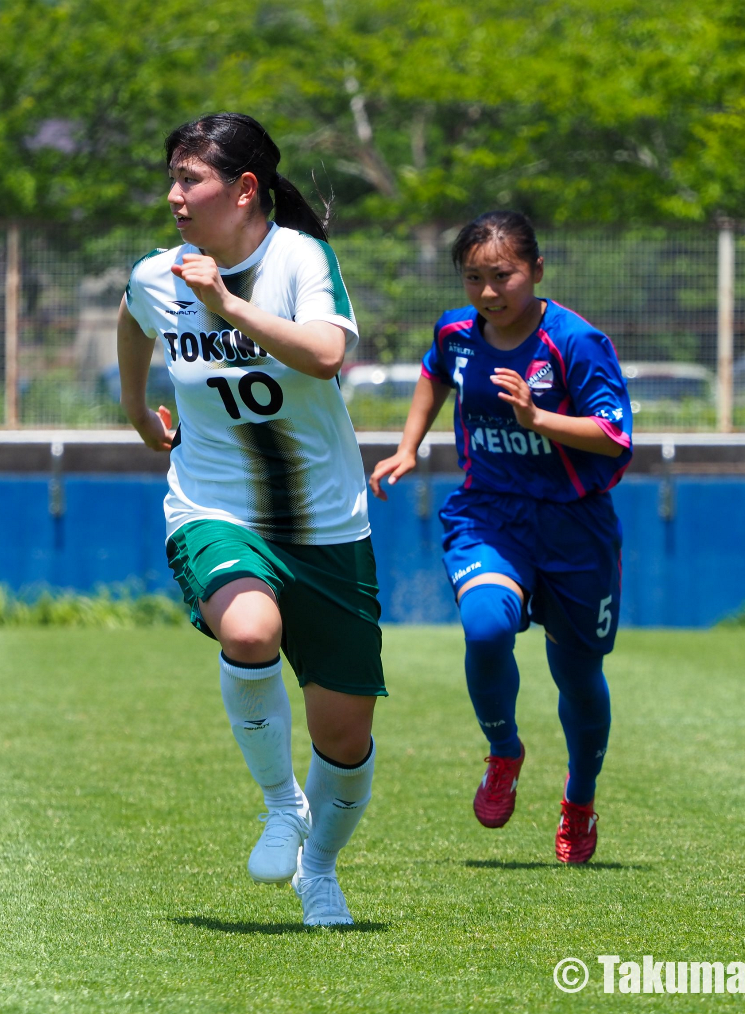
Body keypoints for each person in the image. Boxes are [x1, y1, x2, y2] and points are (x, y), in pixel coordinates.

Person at [118, 113, 383, 925]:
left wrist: (226, 305)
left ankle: (322, 871)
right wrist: (136, 408)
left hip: (329, 527)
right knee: (248, 631)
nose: (174, 195)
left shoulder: (302, 258)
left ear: (243, 190)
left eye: (190, 179)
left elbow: (327, 354)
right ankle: (280, 804)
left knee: (343, 736)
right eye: (171, 177)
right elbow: (135, 319)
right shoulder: (158, 276)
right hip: (213, 507)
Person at [369, 211, 631, 863]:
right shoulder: (458, 333)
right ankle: (504, 750)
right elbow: (434, 371)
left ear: (536, 271)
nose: (489, 292)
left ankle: (580, 800)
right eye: (474, 278)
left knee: (577, 675)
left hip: (573, 525)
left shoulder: (576, 341)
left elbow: (615, 435)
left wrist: (537, 417)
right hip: (488, 513)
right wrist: (408, 447)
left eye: (503, 276)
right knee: (485, 626)